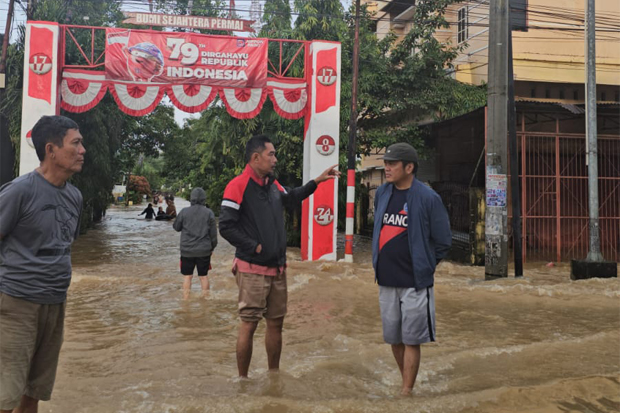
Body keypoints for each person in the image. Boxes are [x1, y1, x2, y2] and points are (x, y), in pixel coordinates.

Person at [219, 134, 339, 378]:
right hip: (251, 268)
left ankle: (274, 376)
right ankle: (243, 380)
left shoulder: (273, 185)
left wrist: (318, 181)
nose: (275, 159)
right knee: (249, 325)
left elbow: (292, 197)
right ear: (256, 157)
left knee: (276, 324)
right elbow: (226, 226)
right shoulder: (237, 185)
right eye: (271, 154)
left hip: (278, 269)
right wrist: (255, 247)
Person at [0, 115, 85, 412]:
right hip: (16, 304)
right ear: (51, 149)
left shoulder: (75, 196)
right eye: (75, 143)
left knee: (34, 391)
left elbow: (64, 245)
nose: (82, 150)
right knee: (5, 395)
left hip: (55, 302)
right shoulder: (19, 191)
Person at [372, 142, 451, 396]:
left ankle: (407, 391)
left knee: (411, 340)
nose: (387, 168)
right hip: (386, 280)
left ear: (409, 167)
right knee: (394, 339)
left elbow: (443, 241)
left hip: (415, 282)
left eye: (392, 164)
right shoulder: (383, 193)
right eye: (385, 163)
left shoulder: (428, 198)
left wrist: (425, 265)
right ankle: (406, 379)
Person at [173, 188, 218, 299]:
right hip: (204, 250)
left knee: (187, 276)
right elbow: (213, 235)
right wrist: (212, 248)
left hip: (187, 251)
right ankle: (205, 301)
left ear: (191, 199)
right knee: (203, 276)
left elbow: (176, 227)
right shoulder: (209, 213)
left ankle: (186, 301)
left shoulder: (184, 212)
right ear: (204, 199)